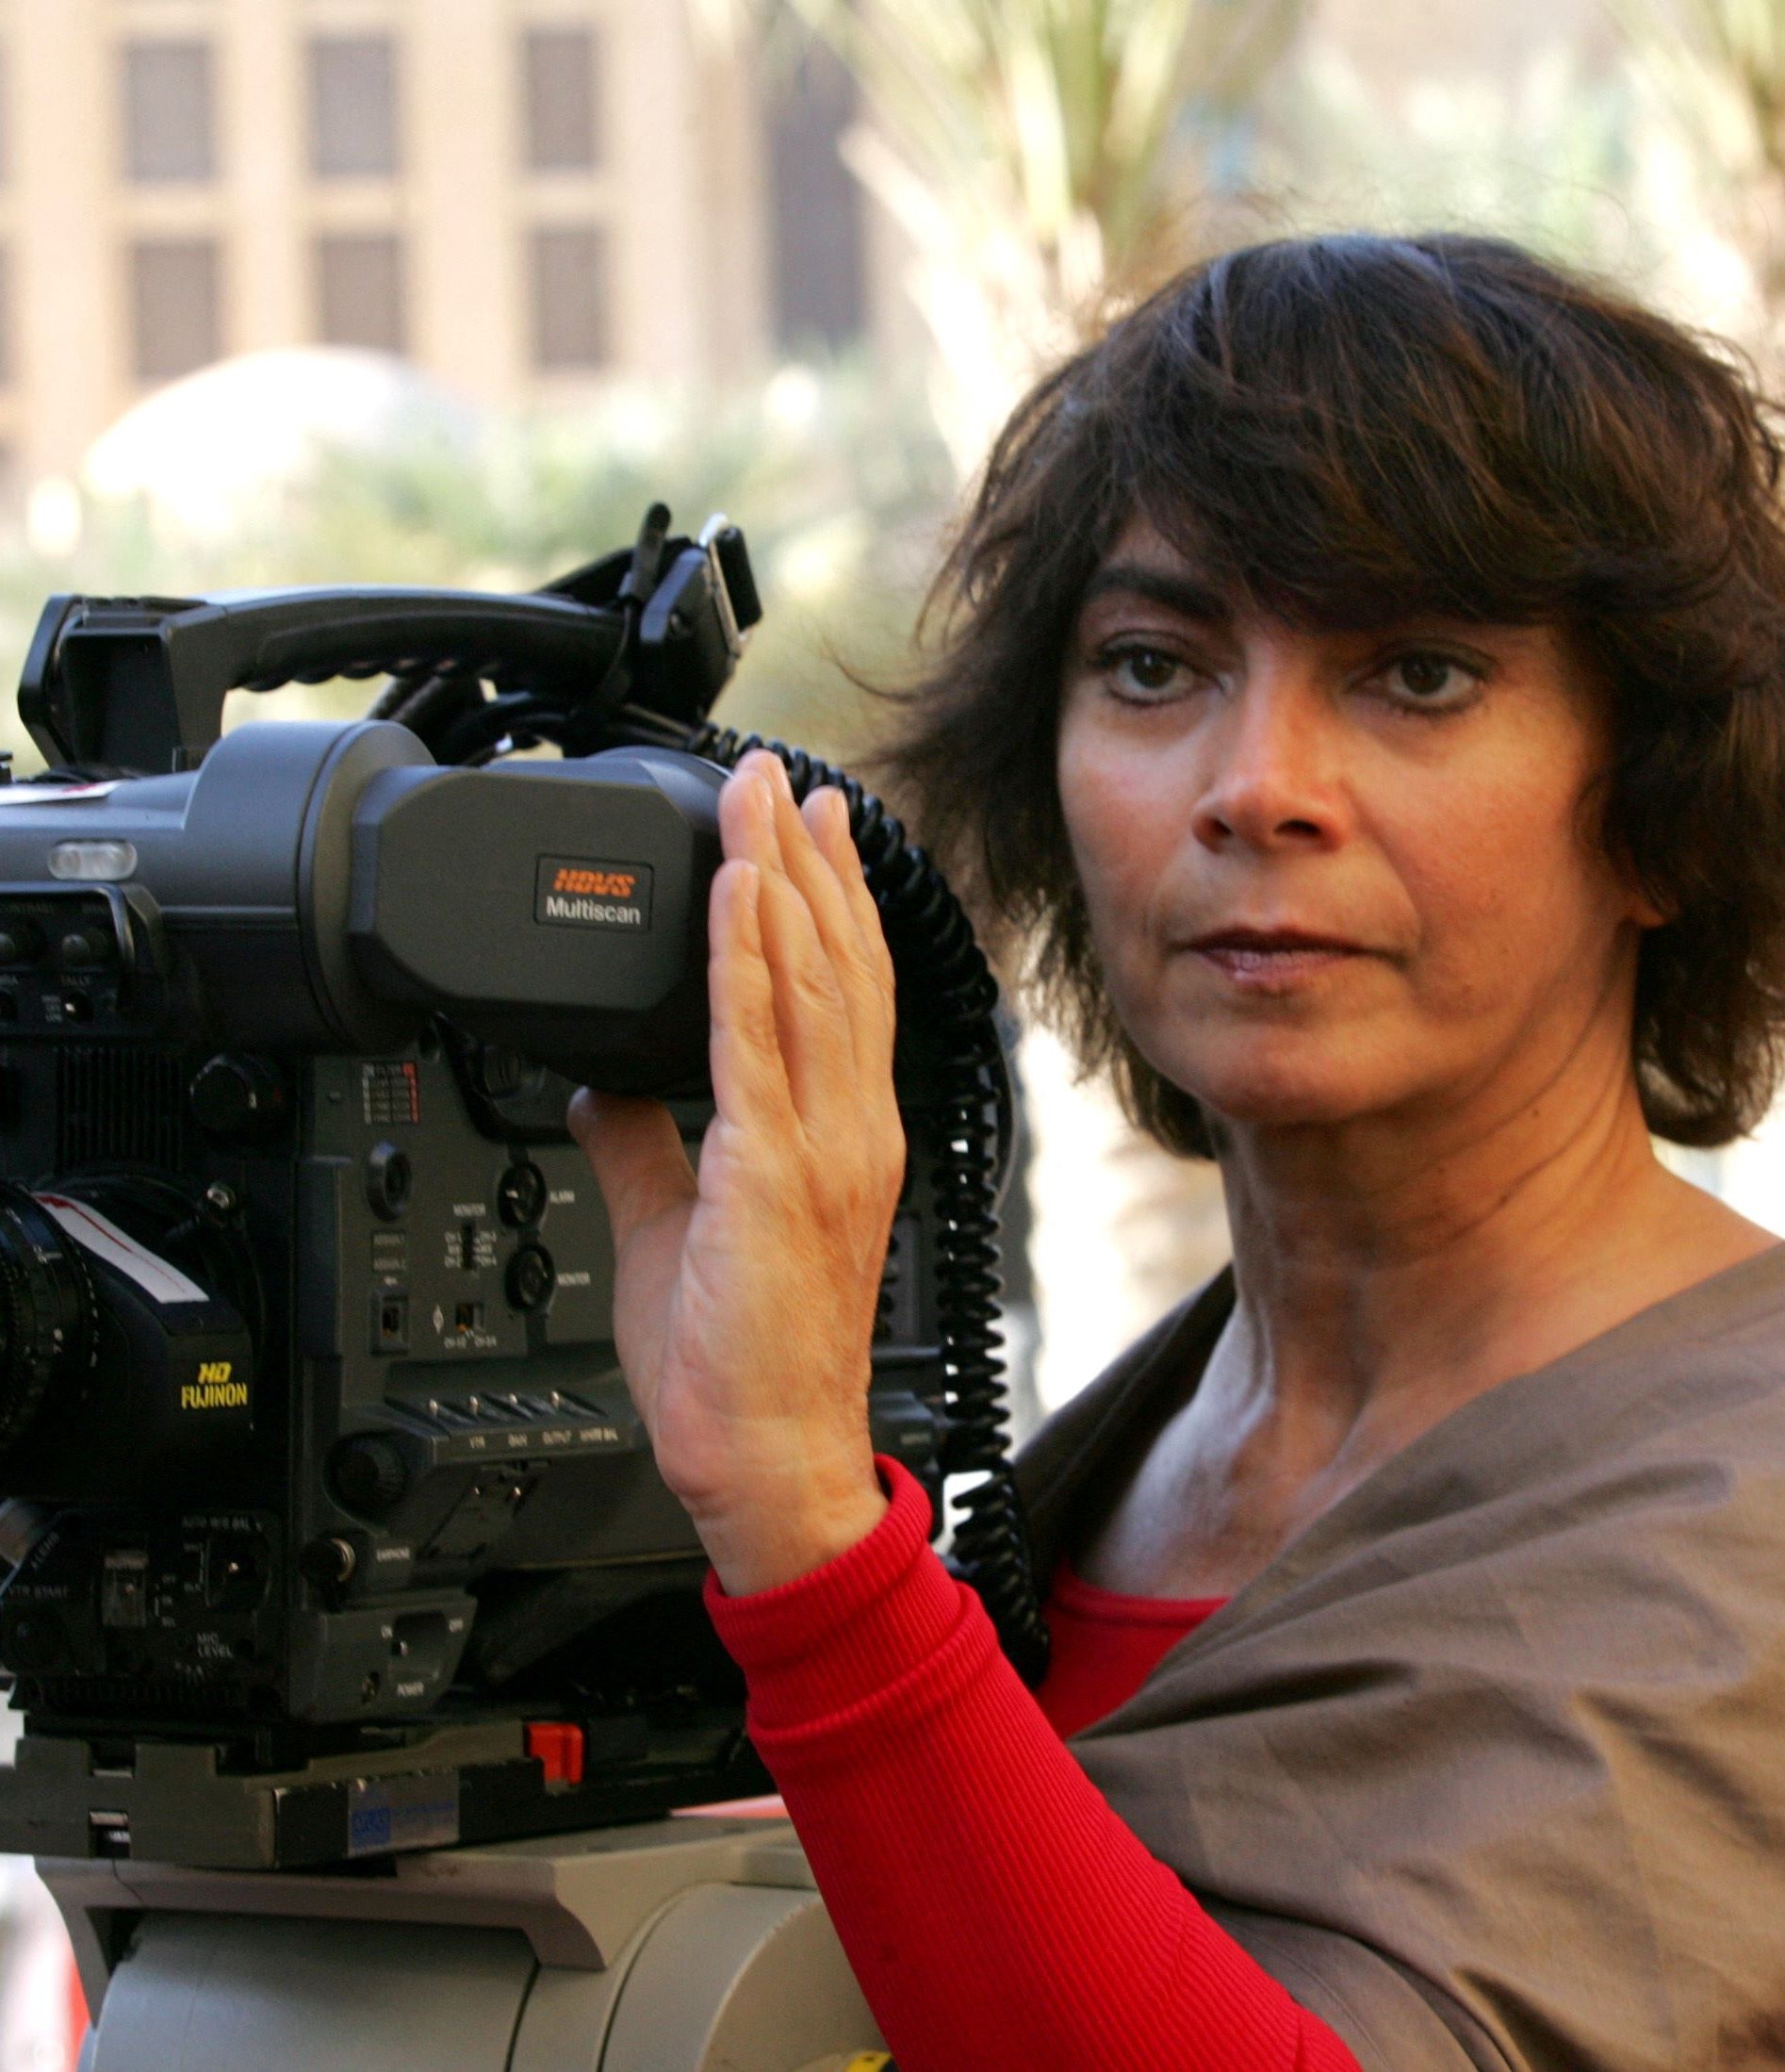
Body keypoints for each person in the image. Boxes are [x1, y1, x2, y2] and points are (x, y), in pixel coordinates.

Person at [567, 234, 1785, 2070]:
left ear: (1666, 812)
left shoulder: (1739, 1487)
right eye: (1151, 664)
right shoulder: (1093, 1480)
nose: (1253, 781)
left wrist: (811, 1535)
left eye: (1422, 675)